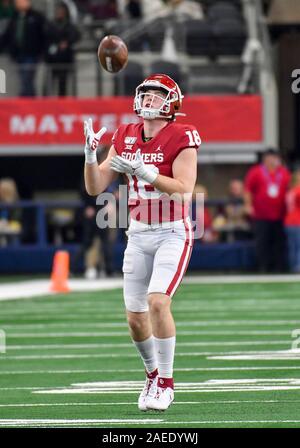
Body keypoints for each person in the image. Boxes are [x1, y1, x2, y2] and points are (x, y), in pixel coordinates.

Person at [83, 74, 200, 411]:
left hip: (172, 231)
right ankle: (151, 374)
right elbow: (95, 187)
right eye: (145, 95)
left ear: (172, 103)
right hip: (137, 232)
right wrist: (91, 157)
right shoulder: (126, 135)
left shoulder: (182, 136)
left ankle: (166, 382)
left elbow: (183, 191)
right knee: (135, 318)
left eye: (156, 96)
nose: (149, 101)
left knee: (158, 303)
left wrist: (146, 172)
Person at [244, 149, 291, 273]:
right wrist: (248, 205)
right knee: (262, 242)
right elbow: (248, 190)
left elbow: (290, 190)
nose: (273, 160)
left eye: (275, 157)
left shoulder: (283, 172)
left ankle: (278, 267)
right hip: (261, 214)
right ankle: (263, 267)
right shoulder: (256, 172)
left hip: (281, 214)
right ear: (265, 159)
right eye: (270, 157)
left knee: (279, 242)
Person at [0, 0, 46, 96]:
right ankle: (28, 102)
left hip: (32, 54)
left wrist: (42, 51)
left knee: (27, 79)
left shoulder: (37, 17)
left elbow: (45, 34)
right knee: (24, 79)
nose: (18, 4)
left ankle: (26, 102)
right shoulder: (15, 17)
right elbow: (7, 36)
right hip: (18, 55)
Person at [44, 1, 80, 96]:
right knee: (48, 83)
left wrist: (67, 42)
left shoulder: (69, 26)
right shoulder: (50, 25)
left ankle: (61, 104)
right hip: (52, 59)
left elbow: (75, 36)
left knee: (62, 84)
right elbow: (46, 38)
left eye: (62, 11)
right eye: (58, 11)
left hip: (65, 59)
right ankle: (45, 103)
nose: (59, 13)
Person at [285, 168, 300, 273]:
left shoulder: (290, 191)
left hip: (289, 221)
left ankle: (293, 266)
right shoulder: (298, 191)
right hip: (297, 221)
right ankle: (297, 266)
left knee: (293, 247)